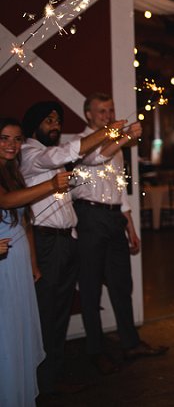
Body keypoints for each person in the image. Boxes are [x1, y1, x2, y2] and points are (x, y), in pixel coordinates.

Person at [20, 101, 123, 396]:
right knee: (47, 314)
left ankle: (52, 378)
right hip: (47, 241)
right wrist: (105, 132)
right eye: (48, 120)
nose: (55, 125)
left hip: (66, 239)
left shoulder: (49, 156)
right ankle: (40, 383)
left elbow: (81, 164)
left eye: (58, 120)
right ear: (34, 124)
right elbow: (64, 154)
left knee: (60, 313)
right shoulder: (31, 154)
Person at [71, 93, 165, 375]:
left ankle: (130, 342)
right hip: (89, 215)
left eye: (110, 110)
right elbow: (96, 158)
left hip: (113, 217)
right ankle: (96, 350)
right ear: (89, 115)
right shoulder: (81, 142)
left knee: (122, 283)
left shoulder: (117, 146)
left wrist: (130, 226)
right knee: (90, 287)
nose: (107, 115)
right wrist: (124, 138)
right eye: (101, 111)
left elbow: (119, 188)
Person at [0, 117, 70, 406]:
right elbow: (6, 202)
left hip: (17, 265)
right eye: (4, 138)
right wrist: (52, 185)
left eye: (17, 139)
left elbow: (24, 222)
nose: (11, 145)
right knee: (5, 335)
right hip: (2, 268)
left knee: (19, 332)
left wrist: (33, 263)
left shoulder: (12, 171)